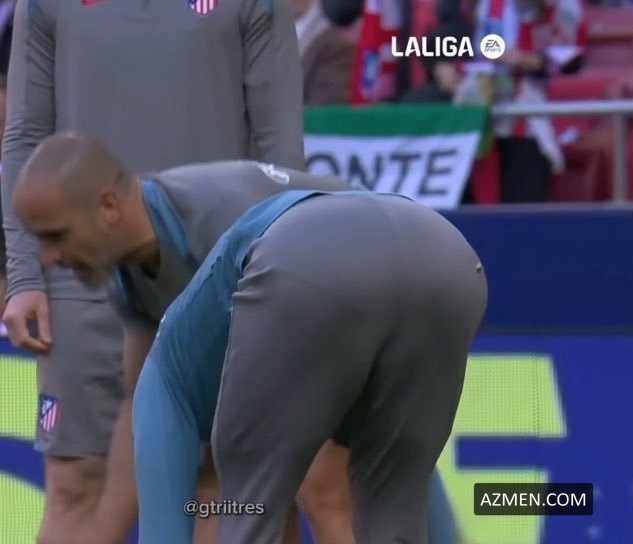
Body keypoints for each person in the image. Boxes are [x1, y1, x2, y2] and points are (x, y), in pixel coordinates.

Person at [14, 132, 471, 543]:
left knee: (324, 484)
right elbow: (141, 411)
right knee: (243, 484)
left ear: (109, 207)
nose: (48, 259)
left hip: (369, 273)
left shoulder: (218, 219)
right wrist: (101, 533)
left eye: (56, 236)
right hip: (434, 270)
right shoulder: (129, 279)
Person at [1, 0, 306, 542]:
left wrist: (272, 277)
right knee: (76, 480)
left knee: (216, 483)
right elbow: (25, 136)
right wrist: (24, 275)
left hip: (215, 275)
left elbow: (280, 149)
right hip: (78, 282)